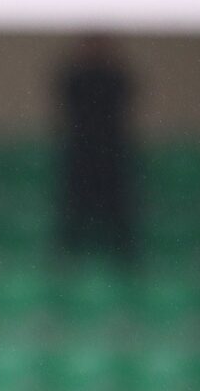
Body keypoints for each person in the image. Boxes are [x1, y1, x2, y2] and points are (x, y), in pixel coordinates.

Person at [55, 33, 138, 262]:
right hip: (80, 157)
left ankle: (125, 262)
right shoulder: (74, 79)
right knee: (73, 214)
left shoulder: (115, 79)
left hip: (112, 159)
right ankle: (67, 260)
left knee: (119, 215)